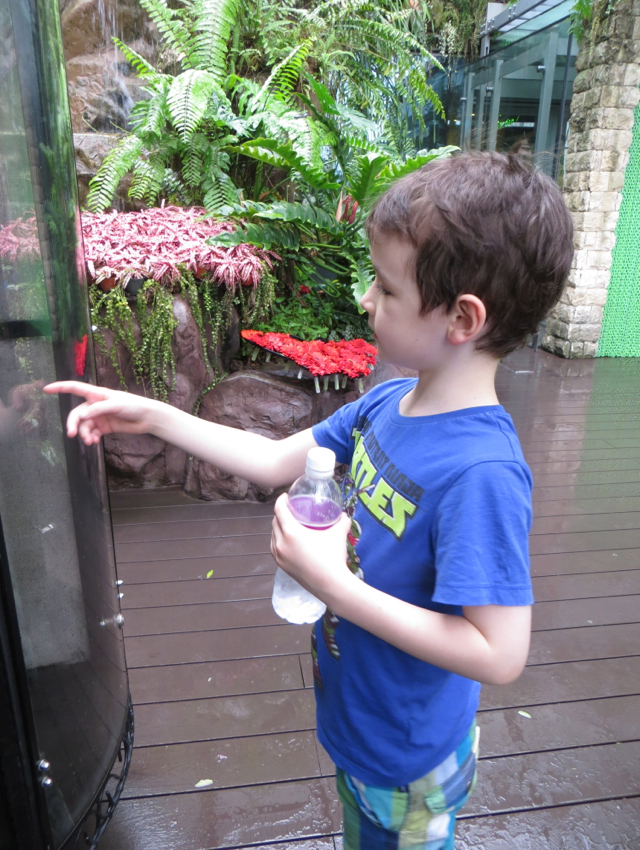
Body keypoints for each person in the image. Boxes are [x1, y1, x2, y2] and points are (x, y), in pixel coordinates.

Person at [45, 149, 574, 850]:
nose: (365, 300)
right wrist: (155, 416)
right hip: (363, 720)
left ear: (462, 317)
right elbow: (270, 459)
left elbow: (500, 652)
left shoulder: (482, 472)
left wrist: (333, 586)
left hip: (409, 758)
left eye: (385, 290)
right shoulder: (387, 404)